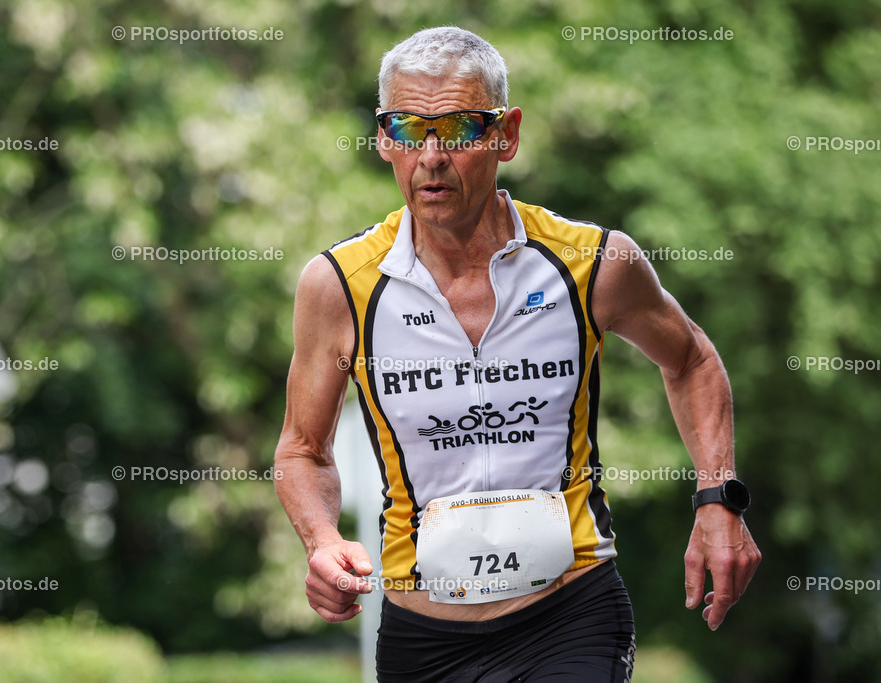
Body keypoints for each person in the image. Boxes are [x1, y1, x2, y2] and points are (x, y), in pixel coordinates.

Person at [273, 26, 760, 681]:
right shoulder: (338, 284)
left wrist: (717, 497)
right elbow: (302, 449)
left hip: (571, 613)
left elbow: (692, 359)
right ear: (385, 139)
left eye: (462, 129)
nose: (433, 157)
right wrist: (323, 542)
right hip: (424, 638)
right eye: (410, 130)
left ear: (507, 133)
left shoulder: (592, 261)